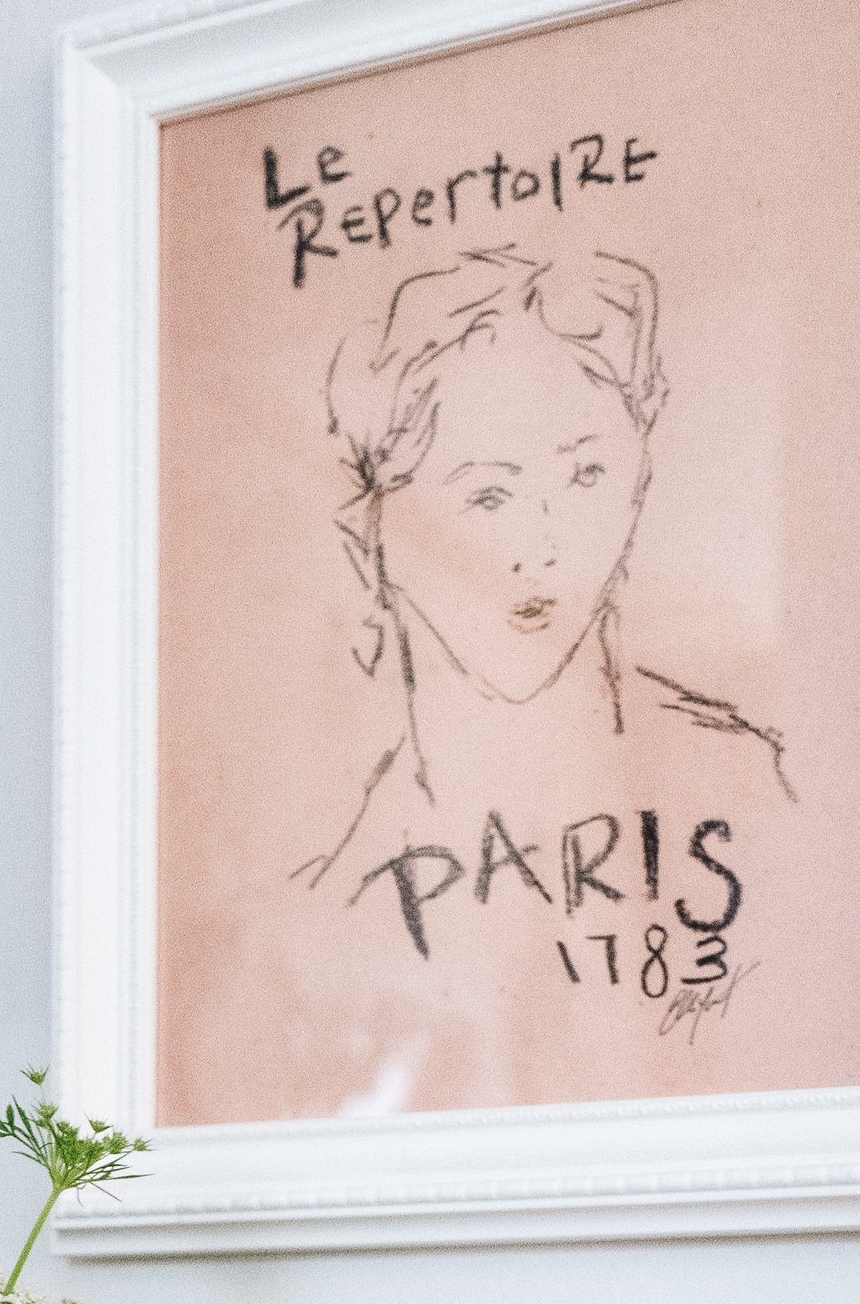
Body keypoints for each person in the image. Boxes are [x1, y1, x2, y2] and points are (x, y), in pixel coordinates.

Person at [302, 243, 791, 909]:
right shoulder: (341, 887)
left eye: (587, 476)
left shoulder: (748, 782)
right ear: (374, 536)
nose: (545, 546)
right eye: (488, 497)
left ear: (638, 482)